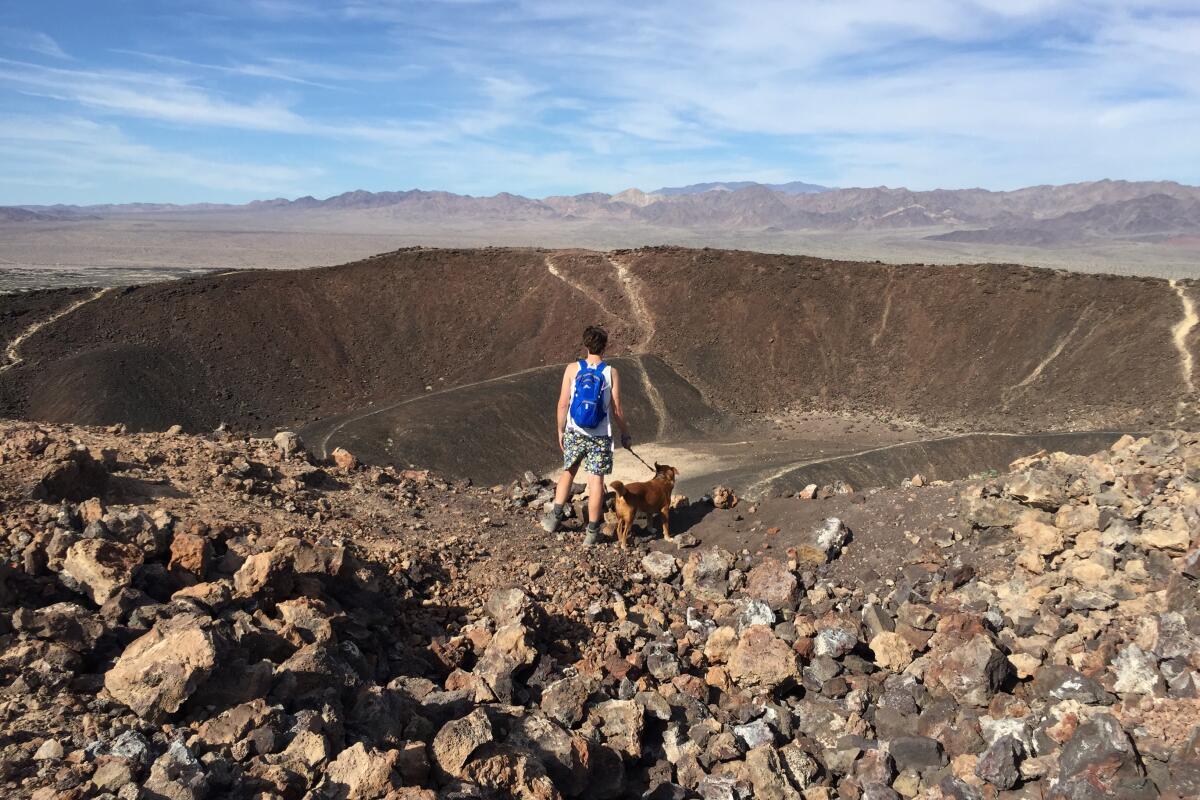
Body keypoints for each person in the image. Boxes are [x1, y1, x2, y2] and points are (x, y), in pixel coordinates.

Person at [541, 325, 632, 544]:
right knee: (596, 481)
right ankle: (591, 533)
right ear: (605, 346)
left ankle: (554, 520)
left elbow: (563, 404)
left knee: (569, 472)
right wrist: (625, 433)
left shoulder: (573, 369)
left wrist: (560, 430)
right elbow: (617, 409)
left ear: (585, 344)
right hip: (600, 436)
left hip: (574, 431)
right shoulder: (611, 373)